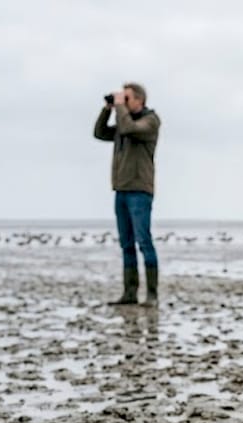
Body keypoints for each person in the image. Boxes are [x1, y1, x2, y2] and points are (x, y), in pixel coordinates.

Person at [93, 82, 161, 306]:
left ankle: (152, 294)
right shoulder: (124, 121)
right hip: (121, 190)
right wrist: (107, 109)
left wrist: (120, 107)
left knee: (144, 241)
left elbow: (131, 129)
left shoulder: (150, 121)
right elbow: (100, 133)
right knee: (126, 243)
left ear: (140, 100)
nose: (124, 101)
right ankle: (129, 293)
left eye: (128, 98)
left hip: (140, 190)